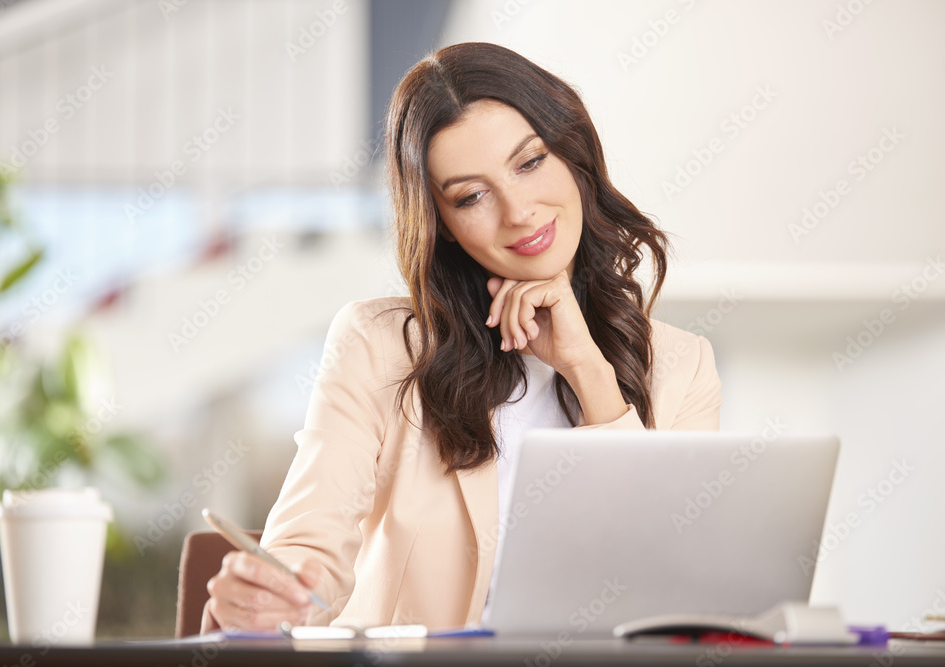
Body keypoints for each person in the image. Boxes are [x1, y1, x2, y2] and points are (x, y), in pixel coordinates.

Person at [202, 41, 722, 633]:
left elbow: (671, 583)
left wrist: (587, 370)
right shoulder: (379, 344)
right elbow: (310, 550)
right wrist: (278, 593)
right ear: (442, 225)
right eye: (471, 196)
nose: (519, 211)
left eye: (529, 162)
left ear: (574, 156)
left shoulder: (684, 366)